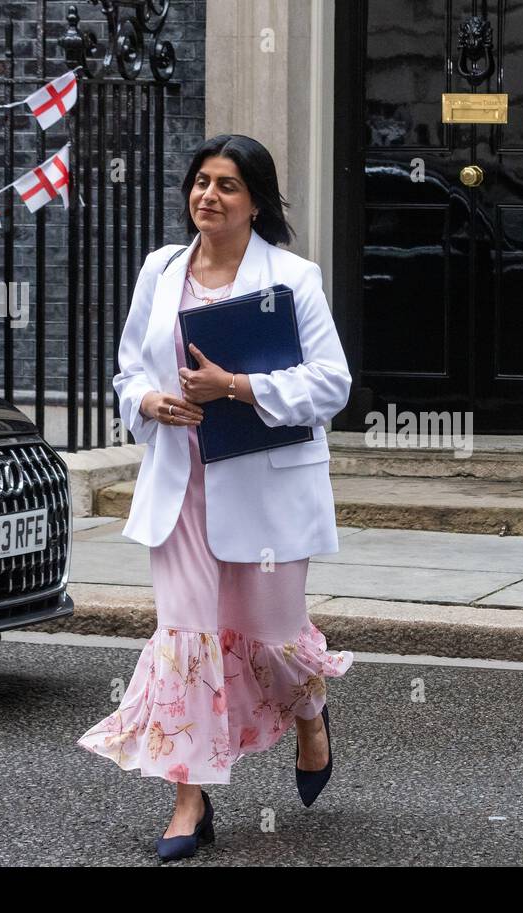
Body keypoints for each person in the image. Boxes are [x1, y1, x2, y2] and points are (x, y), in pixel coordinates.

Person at [77, 133, 354, 862]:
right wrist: (151, 401)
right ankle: (189, 799)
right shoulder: (161, 271)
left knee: (270, 637)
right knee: (187, 641)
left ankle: (311, 715)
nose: (208, 195)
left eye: (227, 184)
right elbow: (128, 371)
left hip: (263, 491)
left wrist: (237, 387)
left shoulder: (292, 279)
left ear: (255, 200)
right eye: (201, 181)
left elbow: (333, 383)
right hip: (182, 487)